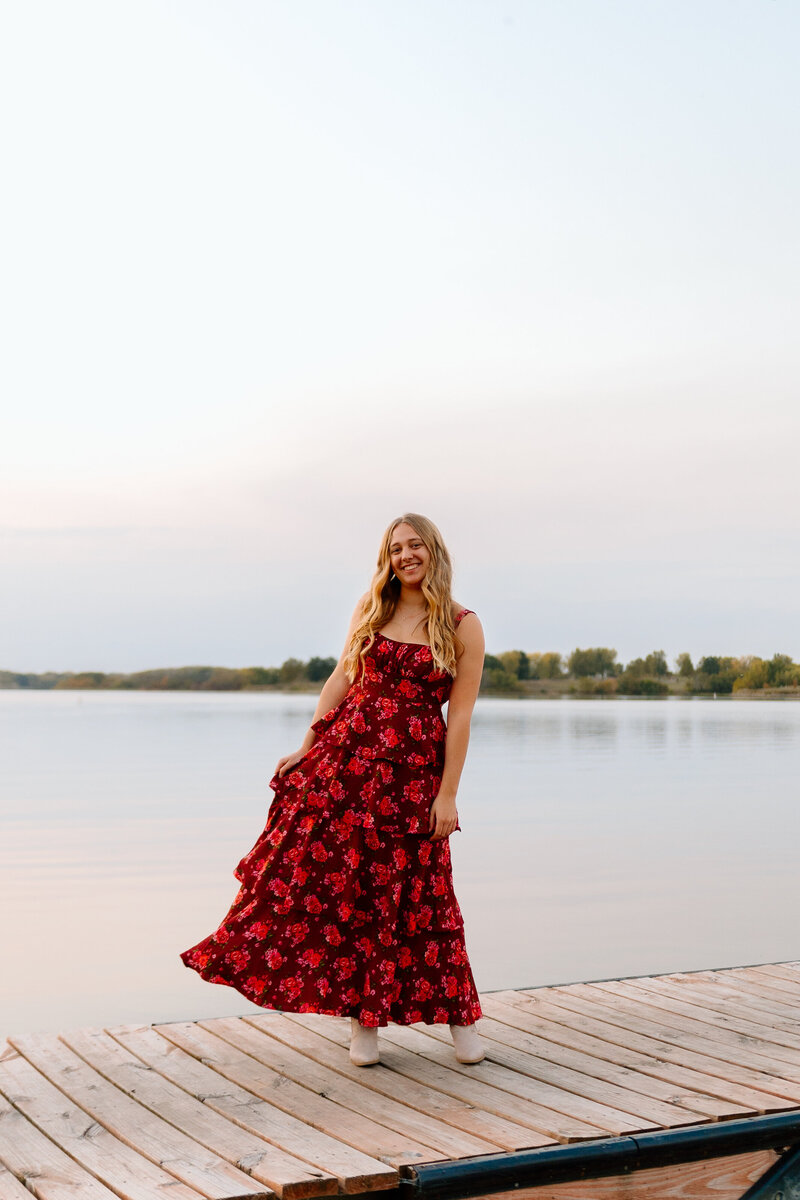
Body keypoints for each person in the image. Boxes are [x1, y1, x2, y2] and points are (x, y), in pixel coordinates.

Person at [180, 512, 485, 1067]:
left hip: (414, 777)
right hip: (347, 767)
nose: (405, 556)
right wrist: (308, 742)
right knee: (350, 893)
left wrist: (448, 794)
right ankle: (361, 1024)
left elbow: (460, 716)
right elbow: (342, 678)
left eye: (415, 546)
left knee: (426, 894)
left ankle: (458, 1017)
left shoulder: (463, 623)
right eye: (396, 549)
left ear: (434, 551)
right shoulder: (375, 609)